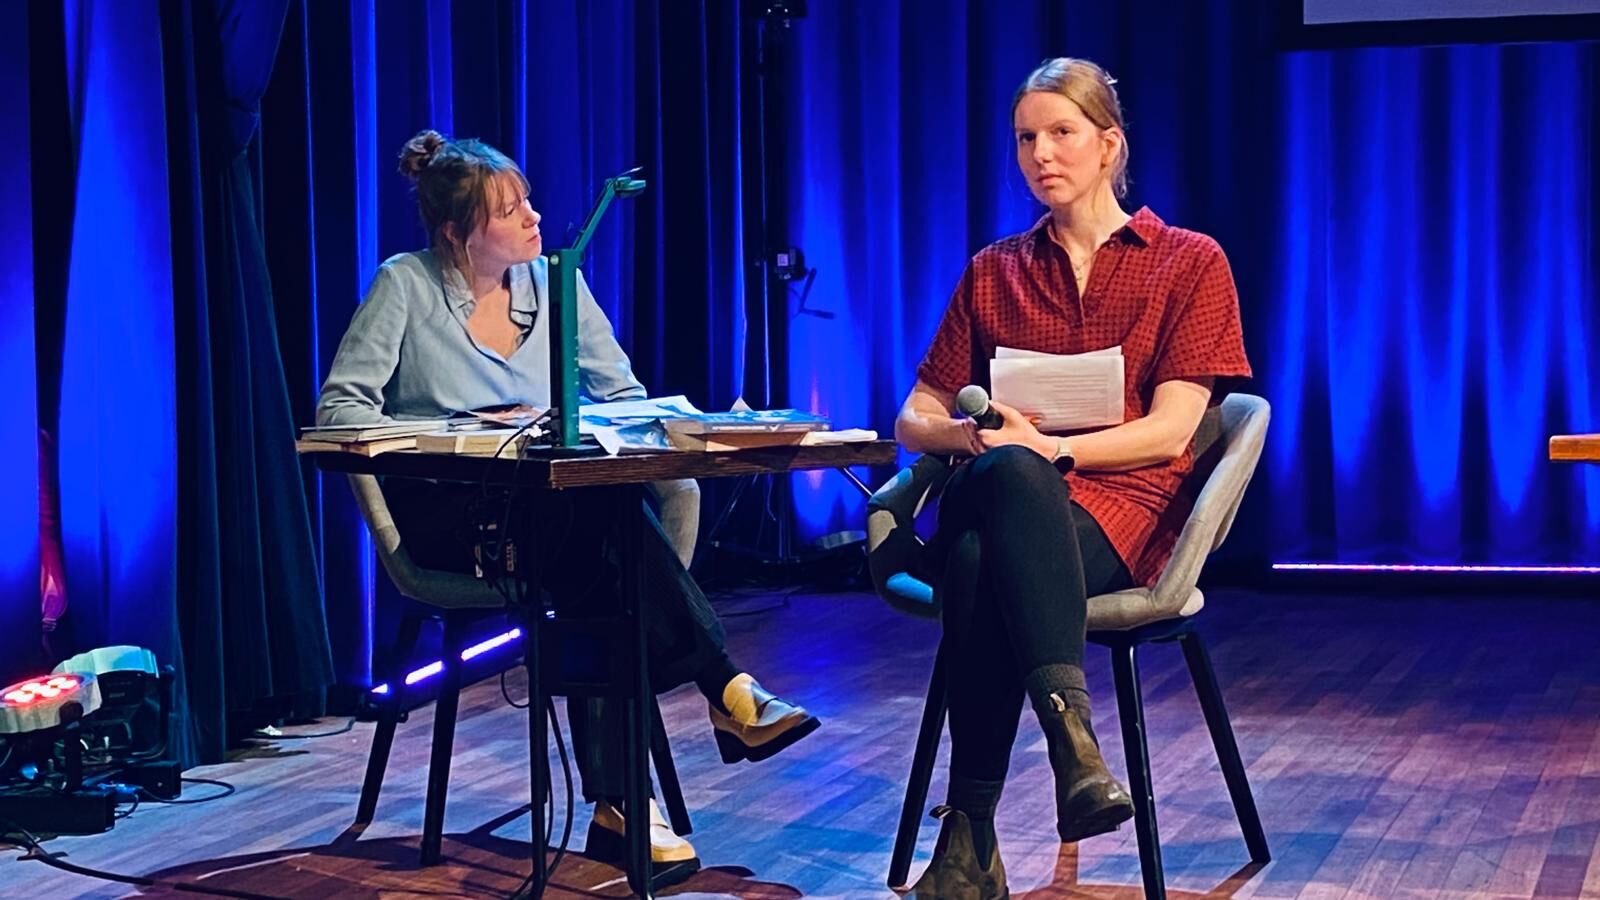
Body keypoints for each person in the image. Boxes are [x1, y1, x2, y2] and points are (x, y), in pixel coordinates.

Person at [316, 130, 819, 880]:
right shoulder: (406, 285)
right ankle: (720, 692)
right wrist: (453, 433)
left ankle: (624, 809)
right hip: (456, 517)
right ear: (456, 232)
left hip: (559, 516)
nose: (534, 217)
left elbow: (625, 397)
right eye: (508, 210)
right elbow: (341, 409)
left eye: (528, 201)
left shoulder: (557, 284)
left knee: (596, 543)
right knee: (601, 538)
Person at [894, 58, 1252, 898]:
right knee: (1008, 474)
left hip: (1119, 514)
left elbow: (1172, 429)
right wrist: (974, 435)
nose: (1041, 154)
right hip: (994, 485)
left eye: (1062, 133)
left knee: (979, 559)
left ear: (1109, 145)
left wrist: (1053, 453)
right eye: (1026, 138)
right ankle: (1073, 747)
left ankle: (968, 841)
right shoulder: (994, 269)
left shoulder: (1189, 262)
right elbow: (912, 417)